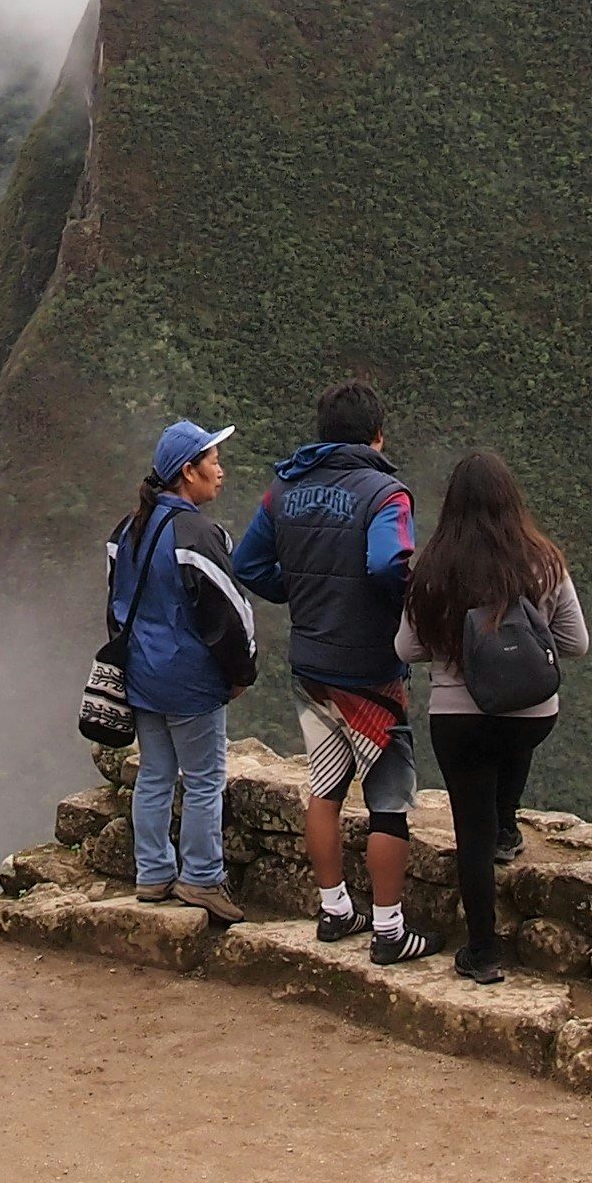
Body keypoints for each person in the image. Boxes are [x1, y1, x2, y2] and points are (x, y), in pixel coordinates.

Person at [232, 379, 435, 964]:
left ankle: (334, 908)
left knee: (324, 788)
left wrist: (295, 592)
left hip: (311, 664)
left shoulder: (283, 490)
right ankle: (390, 930)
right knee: (388, 799)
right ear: (377, 436)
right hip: (372, 671)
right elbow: (386, 563)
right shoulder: (386, 495)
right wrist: (404, 609)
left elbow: (248, 563)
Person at [398, 449, 589, 982]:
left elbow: (406, 648)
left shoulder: (433, 568)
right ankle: (508, 822)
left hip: (458, 719)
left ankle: (482, 952)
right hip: (531, 712)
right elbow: (576, 642)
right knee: (514, 737)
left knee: (470, 834)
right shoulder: (544, 561)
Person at [106, 418, 256, 917]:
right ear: (187, 472)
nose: (221, 470)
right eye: (213, 461)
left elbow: (117, 606)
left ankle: (152, 874)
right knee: (204, 780)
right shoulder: (196, 534)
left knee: (154, 776)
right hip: (190, 682)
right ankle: (202, 879)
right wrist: (240, 674)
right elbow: (229, 616)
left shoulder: (127, 529)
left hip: (143, 676)